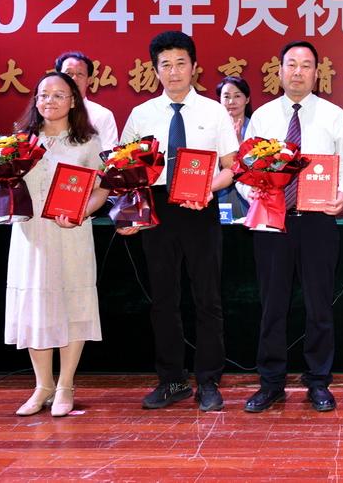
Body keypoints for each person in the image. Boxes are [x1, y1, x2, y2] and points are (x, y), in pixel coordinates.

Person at [237, 40, 343, 413]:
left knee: (319, 307)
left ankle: (319, 381)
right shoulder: (263, 117)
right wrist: (252, 193)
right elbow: (245, 167)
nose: (298, 72)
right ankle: (271, 383)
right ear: (279, 71)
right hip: (272, 223)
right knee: (272, 306)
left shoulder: (333, 115)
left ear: (316, 73)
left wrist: (342, 192)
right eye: (291, 64)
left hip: (318, 222)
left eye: (306, 65)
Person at [118, 31, 238, 412]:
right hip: (157, 209)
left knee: (207, 298)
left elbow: (231, 167)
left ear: (194, 67)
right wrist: (129, 213)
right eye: (165, 65)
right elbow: (125, 169)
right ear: (155, 70)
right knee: (163, 299)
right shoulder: (141, 115)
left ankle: (208, 381)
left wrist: (207, 189)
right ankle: (171, 380)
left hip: (201, 209)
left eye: (181, 63)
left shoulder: (213, 111)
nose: (173, 72)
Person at [0, 71, 109, 417]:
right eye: (44, 95)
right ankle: (42, 385)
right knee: (34, 307)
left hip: (71, 233)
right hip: (30, 235)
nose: (50, 101)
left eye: (59, 95)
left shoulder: (87, 142)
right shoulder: (18, 142)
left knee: (73, 305)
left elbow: (102, 189)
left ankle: (65, 384)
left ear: (73, 101)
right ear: (35, 100)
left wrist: (82, 211)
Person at [55, 52, 119, 152]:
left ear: (89, 80)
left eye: (80, 74)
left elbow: (108, 155)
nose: (74, 78)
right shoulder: (46, 111)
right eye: (68, 73)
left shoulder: (102, 115)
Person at [216, 75, 252, 220]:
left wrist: (240, 142)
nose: (231, 102)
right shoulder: (212, 129)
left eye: (237, 96)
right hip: (219, 193)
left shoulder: (255, 127)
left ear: (247, 99)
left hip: (248, 196)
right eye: (226, 96)